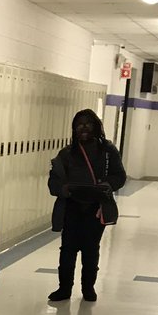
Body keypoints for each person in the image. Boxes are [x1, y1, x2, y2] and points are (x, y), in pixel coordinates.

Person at [47, 109, 127, 302]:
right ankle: (64, 288)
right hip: (72, 208)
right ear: (74, 129)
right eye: (79, 125)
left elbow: (120, 176)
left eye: (87, 124)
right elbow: (53, 181)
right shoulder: (66, 153)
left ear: (96, 126)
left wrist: (108, 185)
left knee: (91, 249)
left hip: (95, 208)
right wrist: (63, 189)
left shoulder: (108, 151)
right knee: (68, 249)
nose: (83, 128)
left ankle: (88, 288)